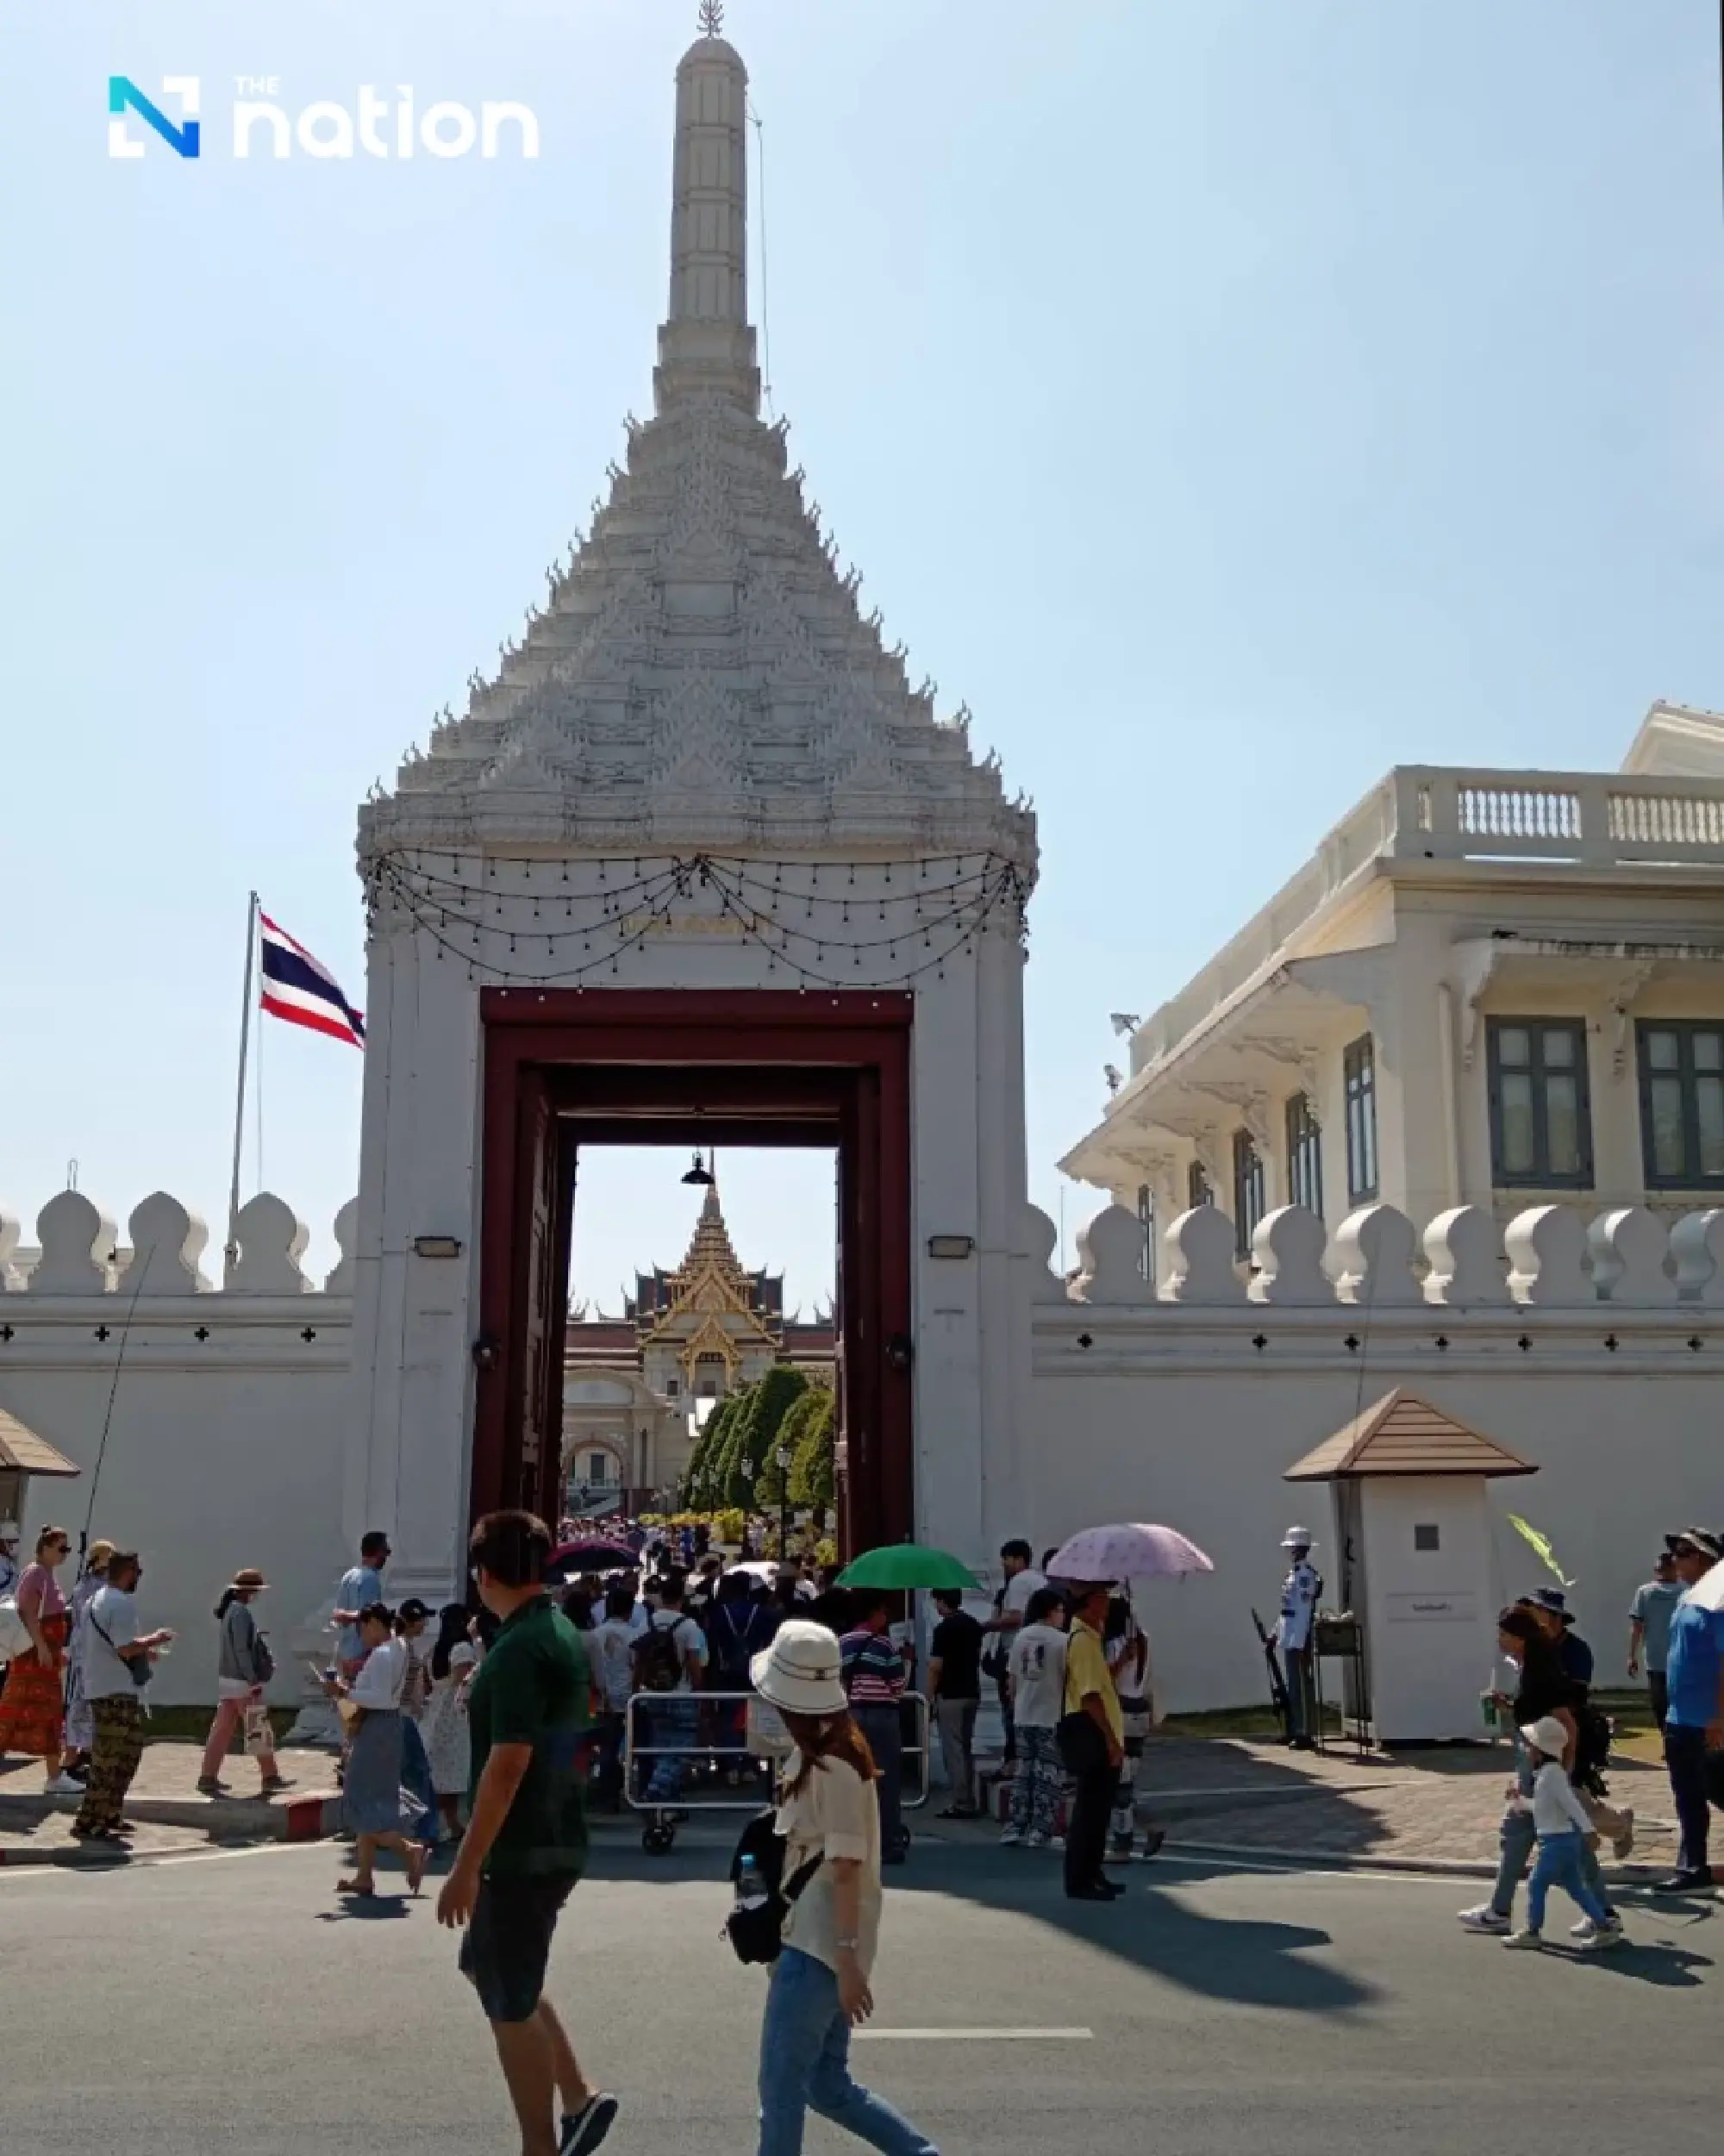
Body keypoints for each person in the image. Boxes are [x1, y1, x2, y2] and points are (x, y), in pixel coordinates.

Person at [436, 1510, 617, 2156]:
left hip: (522, 1844)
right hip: (552, 1831)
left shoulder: (516, 1649)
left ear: (482, 1573)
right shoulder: (554, 1628)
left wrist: (465, 1864)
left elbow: (506, 1764)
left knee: (508, 2001)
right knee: (499, 1970)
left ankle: (542, 2144)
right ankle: (578, 2094)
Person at [749, 1621, 938, 2156]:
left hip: (818, 1946)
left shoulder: (832, 1764)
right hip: (823, 1944)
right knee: (826, 2086)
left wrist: (849, 1962)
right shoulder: (826, 1752)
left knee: (781, 2088)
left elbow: (847, 1866)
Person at [1458, 1605, 1620, 1939]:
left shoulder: (1539, 1675)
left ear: (1520, 1638)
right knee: (1555, 1840)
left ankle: (1503, 1913)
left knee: (1524, 1834)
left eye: (1505, 1635)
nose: (1500, 1641)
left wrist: (1562, 1770)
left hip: (1543, 1766)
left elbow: (1567, 1724)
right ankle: (1601, 1912)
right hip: (1536, 1762)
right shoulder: (1533, 1668)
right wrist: (1509, 1707)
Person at [324, 1602, 429, 1897]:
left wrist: (345, 1691)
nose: (361, 1634)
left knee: (360, 1795)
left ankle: (410, 1850)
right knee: (371, 1799)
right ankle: (364, 1875)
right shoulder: (399, 1648)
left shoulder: (384, 1654)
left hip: (378, 1725)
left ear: (373, 1623)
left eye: (362, 1627)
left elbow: (380, 1697)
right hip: (387, 1726)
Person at [72, 1549, 174, 1842]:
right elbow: (126, 1647)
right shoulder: (120, 1604)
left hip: (107, 1687)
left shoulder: (100, 1599)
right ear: (128, 1572)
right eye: (138, 1573)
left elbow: (117, 1647)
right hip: (113, 1692)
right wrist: (156, 1638)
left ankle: (110, 1814)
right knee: (109, 1758)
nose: (139, 1578)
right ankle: (90, 1821)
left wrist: (145, 1652)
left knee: (127, 1754)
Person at [1502, 1714, 1624, 1952]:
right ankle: (1604, 1926)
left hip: (1555, 1844)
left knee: (1536, 1884)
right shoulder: (1549, 1775)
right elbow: (1542, 1807)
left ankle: (1532, 1932)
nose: (1526, 1750)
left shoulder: (1552, 1776)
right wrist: (1520, 1802)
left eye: (1529, 1746)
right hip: (1563, 1841)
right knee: (1576, 1887)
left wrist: (1590, 1831)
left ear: (1539, 1750)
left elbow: (1571, 1804)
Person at [1652, 1526, 1724, 1894]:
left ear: (1707, 1559)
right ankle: (1692, 1867)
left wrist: (1720, 1717)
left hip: (1708, 1721)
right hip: (1680, 1717)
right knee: (1688, 1798)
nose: (1674, 1561)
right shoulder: (1688, 1599)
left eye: (1683, 1553)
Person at [1059, 1579, 1125, 1901]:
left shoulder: (1091, 1638)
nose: (1108, 1604)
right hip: (1094, 1733)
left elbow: (1100, 1682)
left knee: (1099, 1810)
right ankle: (1080, 1877)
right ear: (1089, 1603)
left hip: (1102, 1731)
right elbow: (1090, 1697)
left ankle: (1094, 1871)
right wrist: (1111, 1741)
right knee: (1090, 1810)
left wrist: (1123, 1660)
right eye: (1102, 1598)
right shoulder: (1082, 1641)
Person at [198, 1567, 290, 1797]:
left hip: (228, 1679)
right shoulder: (241, 1613)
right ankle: (270, 1776)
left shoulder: (230, 1611)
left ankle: (207, 1776)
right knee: (258, 1726)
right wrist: (252, 1678)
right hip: (241, 1680)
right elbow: (241, 1649)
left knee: (222, 1729)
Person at [0, 1525, 78, 1790]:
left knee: (48, 1713)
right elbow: (27, 1612)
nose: (65, 1554)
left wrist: (56, 1651)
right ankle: (55, 1776)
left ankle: (54, 1776)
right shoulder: (34, 1573)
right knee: (13, 1712)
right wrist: (43, 1646)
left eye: (68, 1549)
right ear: (45, 1548)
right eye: (61, 1548)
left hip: (46, 1657)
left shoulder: (48, 1575)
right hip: (32, 1658)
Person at [839, 1592, 908, 1864]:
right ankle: (889, 1843)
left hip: (850, 1715)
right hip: (883, 1716)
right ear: (873, 1614)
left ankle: (853, 1841)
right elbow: (897, 1685)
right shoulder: (885, 1645)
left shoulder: (841, 1643)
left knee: (852, 1778)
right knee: (887, 1781)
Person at [631, 1570, 707, 1803]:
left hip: (651, 1694)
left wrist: (635, 1690)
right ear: (681, 1599)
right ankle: (657, 1789)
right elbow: (694, 1663)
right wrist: (701, 1693)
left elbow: (639, 1660)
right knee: (681, 1747)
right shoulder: (688, 1626)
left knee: (660, 1744)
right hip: (681, 1694)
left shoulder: (647, 1622)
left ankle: (669, 1801)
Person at [1002, 1585, 1066, 1847]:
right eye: (1061, 1610)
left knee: (1023, 1771)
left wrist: (1015, 1704)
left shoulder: (1021, 1637)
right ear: (1051, 1612)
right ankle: (1042, 1829)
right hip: (1050, 1714)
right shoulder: (1062, 1641)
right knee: (1048, 1774)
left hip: (1023, 1714)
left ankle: (1016, 1824)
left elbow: (1012, 1680)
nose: (1063, 1615)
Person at [981, 1540, 1046, 1766]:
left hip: (1016, 1653)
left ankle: (1012, 1761)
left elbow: (1016, 1617)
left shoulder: (1020, 1582)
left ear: (1019, 1559)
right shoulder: (1039, 1580)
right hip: (1038, 1653)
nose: (1004, 1565)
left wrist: (988, 1625)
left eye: (1006, 1560)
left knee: (1011, 1707)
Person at [421, 1601, 478, 1842]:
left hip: (435, 1709)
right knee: (452, 1771)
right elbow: (463, 1681)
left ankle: (447, 1822)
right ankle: (450, 1822)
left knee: (438, 1770)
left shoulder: (435, 1649)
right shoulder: (463, 1648)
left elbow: (427, 1682)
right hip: (455, 1714)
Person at [61, 1540, 116, 1782]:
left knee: (93, 1708)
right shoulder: (87, 1585)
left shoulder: (101, 1584)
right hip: (85, 1655)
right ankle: (70, 1759)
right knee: (79, 1707)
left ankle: (87, 1753)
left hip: (95, 1656)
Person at [927, 1588, 984, 1819]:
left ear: (942, 1602)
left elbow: (935, 1667)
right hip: (971, 1690)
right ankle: (968, 1796)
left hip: (950, 1694)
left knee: (953, 1749)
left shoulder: (943, 1629)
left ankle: (962, 1802)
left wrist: (929, 1696)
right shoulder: (973, 1625)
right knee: (965, 1746)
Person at [587, 1584, 637, 1811]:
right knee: (617, 1747)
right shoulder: (634, 1635)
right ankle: (611, 1792)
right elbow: (636, 1666)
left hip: (599, 1698)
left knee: (601, 1745)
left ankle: (600, 1790)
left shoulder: (596, 1635)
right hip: (626, 1696)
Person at [397, 1598, 440, 1841]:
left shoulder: (405, 1646)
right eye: (423, 1619)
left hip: (403, 1715)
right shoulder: (403, 1648)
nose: (425, 1624)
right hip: (402, 1717)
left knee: (407, 1774)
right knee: (418, 1773)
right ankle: (425, 1829)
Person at [1628, 1549, 1684, 1732]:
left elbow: (1637, 1626)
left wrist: (1632, 1656)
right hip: (1679, 1656)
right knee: (1678, 1701)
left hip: (1656, 1657)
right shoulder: (1686, 1592)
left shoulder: (1644, 1592)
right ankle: (1675, 1738)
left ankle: (1667, 1737)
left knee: (1660, 1702)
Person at [1277, 1528, 1321, 1750]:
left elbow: (1303, 1611)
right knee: (1291, 1685)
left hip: (1298, 1636)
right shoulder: (1293, 1574)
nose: (1292, 1552)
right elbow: (1287, 1608)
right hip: (1289, 1634)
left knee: (1301, 1685)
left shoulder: (1304, 1576)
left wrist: (1301, 1642)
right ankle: (1293, 1728)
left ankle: (1304, 1732)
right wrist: (1275, 1634)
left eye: (1295, 1548)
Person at [333, 1529, 391, 1678]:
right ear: (378, 1552)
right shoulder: (370, 1579)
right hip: (363, 1654)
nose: (386, 1557)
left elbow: (338, 1613)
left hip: (345, 1653)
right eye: (386, 1552)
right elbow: (370, 1617)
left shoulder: (349, 1576)